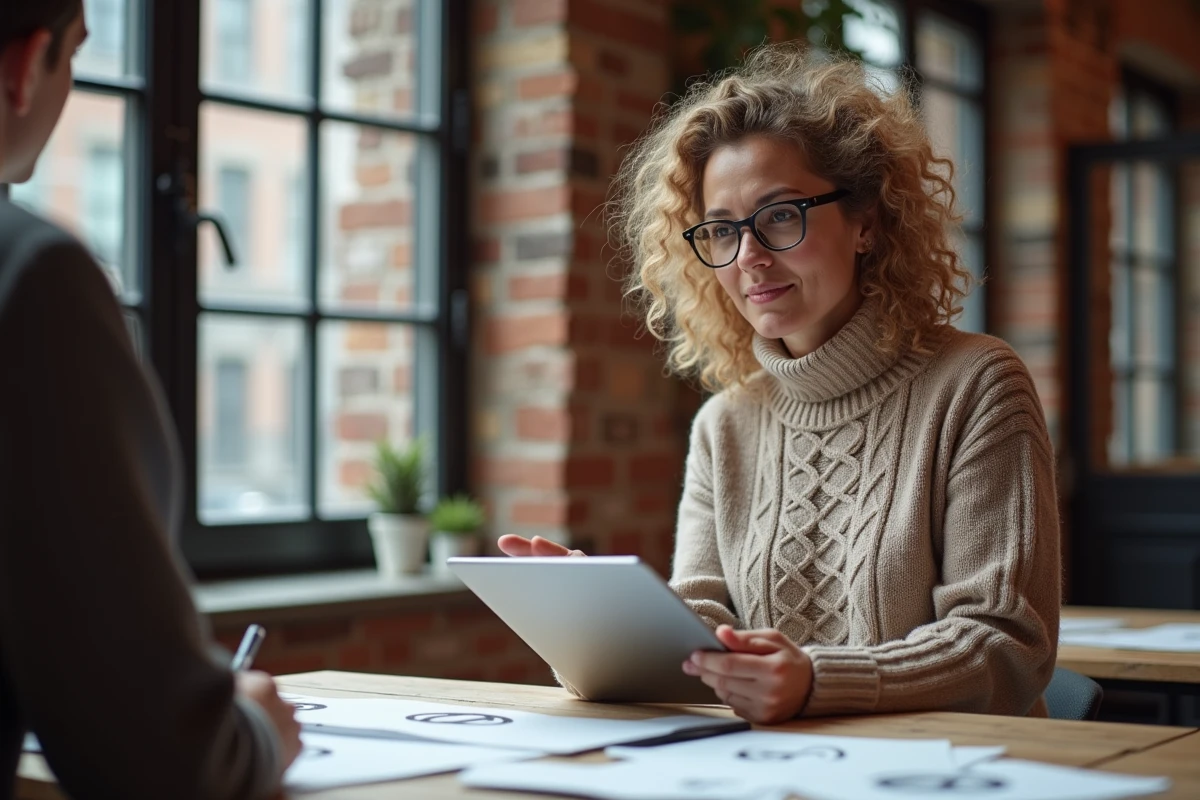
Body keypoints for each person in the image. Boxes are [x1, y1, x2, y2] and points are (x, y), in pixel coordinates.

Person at [499, 45, 1060, 724]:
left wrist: (818, 681)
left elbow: (1006, 646)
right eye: (723, 230)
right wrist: (597, 627)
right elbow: (705, 621)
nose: (750, 257)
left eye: (781, 215)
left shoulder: (976, 385)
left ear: (865, 221)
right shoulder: (725, 423)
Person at [0, 2, 301, 797]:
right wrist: (254, 734)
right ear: (26, 66)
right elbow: (160, 764)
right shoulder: (30, 281)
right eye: (73, 59)